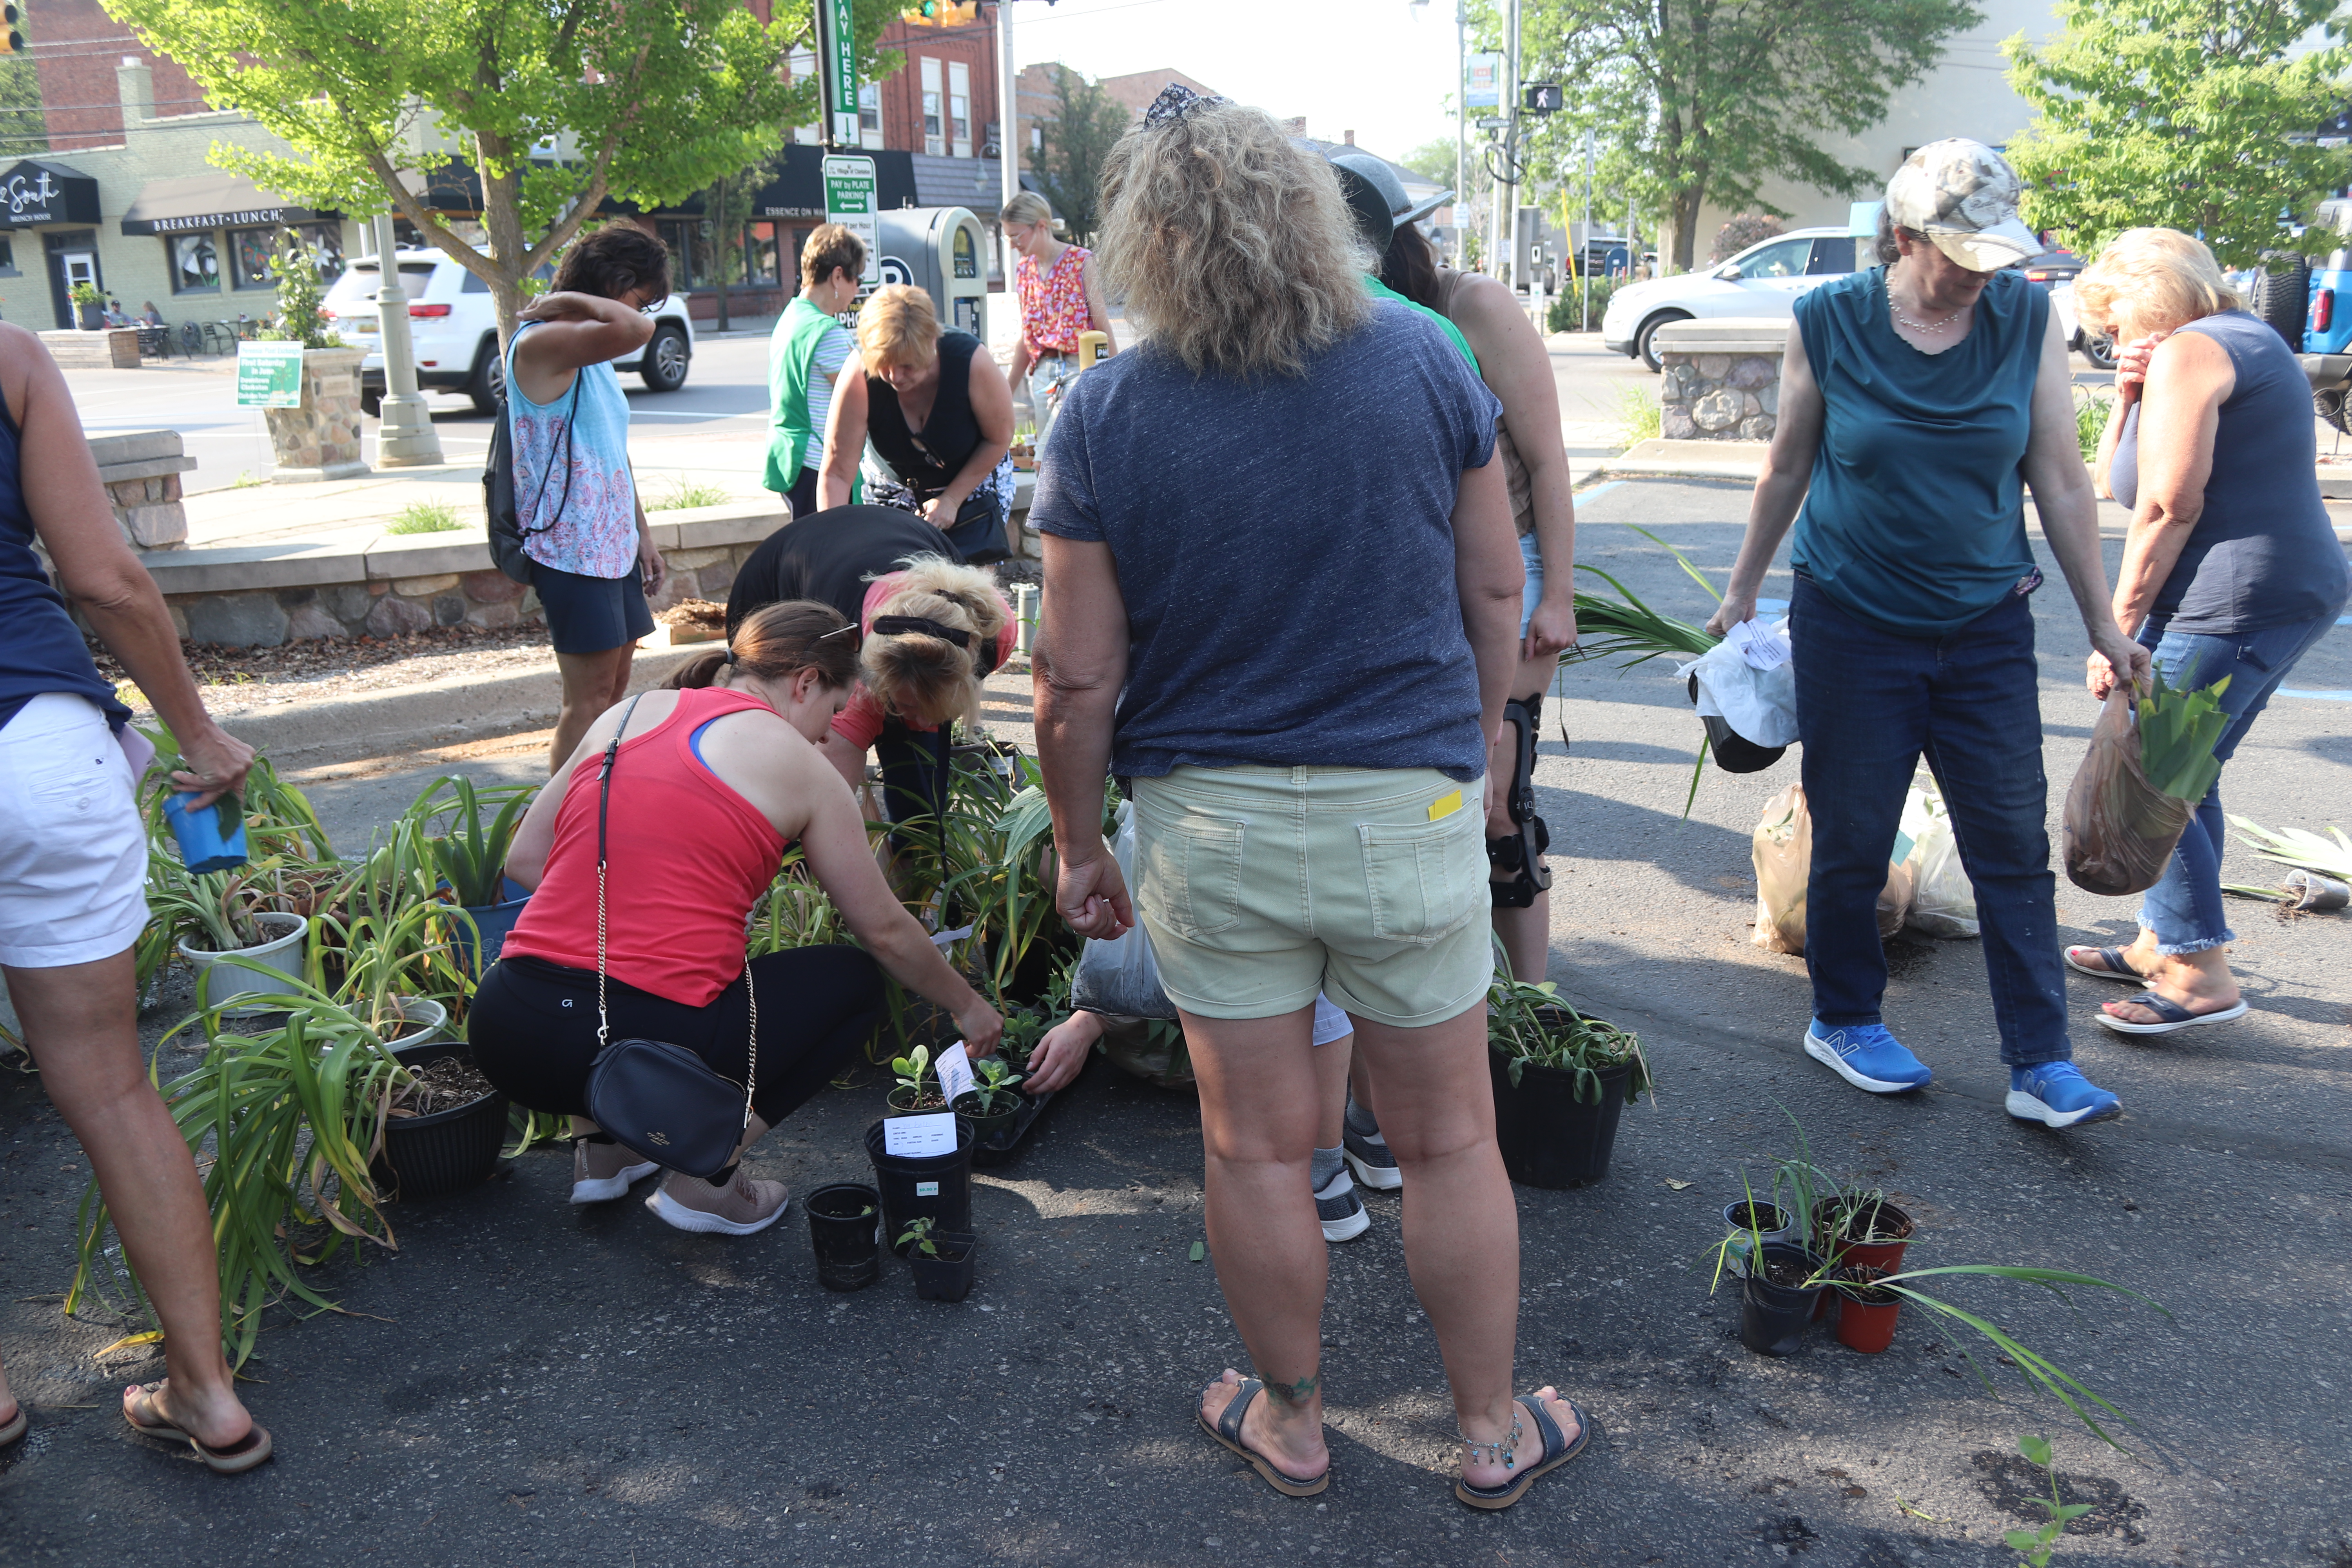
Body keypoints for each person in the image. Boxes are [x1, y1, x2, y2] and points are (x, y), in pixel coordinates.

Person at [1030, 85, 1588, 1509]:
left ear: (1138, 241)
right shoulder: (1419, 356)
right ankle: (1485, 1431)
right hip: (1401, 803)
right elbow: (1489, 583)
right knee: (1450, 1134)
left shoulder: (1109, 404)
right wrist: (1473, 749)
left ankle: (1289, 1418)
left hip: (1209, 827)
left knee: (1256, 1142)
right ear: (1306, 209)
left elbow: (1073, 679)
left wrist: (1083, 841)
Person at [1704, 139, 2152, 1129]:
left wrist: (2104, 623)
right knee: (1855, 838)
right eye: (1962, 257)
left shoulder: (2026, 315)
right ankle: (1845, 1016)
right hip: (1853, 623)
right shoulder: (1826, 319)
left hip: (1985, 623)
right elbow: (1787, 466)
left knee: (2007, 846)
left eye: (1999, 255)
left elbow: (2062, 480)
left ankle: (2042, 1062)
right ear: (1903, 238)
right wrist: (1742, 591)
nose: (1982, 276)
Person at [469, 599, 1006, 1236]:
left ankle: (604, 1153)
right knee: (855, 983)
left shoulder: (626, 714)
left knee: (601, 983)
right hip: (642, 1037)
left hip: (509, 1030)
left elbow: (527, 861)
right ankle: (709, 1176)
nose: (825, 735)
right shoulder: (802, 766)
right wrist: (969, 1006)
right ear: (805, 680)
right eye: (832, 713)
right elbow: (884, 931)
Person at [0, 323, 269, 1471]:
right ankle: (208, 1395)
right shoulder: (10, 353)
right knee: (112, 1086)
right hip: (42, 747)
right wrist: (193, 726)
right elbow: (104, 574)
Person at [2065, 229, 2350, 1033]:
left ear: (2151, 294)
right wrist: (2127, 393)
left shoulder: (2196, 346)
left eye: (2115, 323)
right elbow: (2120, 486)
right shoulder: (2236, 341)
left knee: (2155, 768)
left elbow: (2166, 507)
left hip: (2239, 593)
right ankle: (2164, 937)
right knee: (2191, 766)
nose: (2114, 339)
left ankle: (2197, 975)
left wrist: (2113, 629)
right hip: (2271, 586)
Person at [1366, 162, 1581, 994]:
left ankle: (1533, 1003)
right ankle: (1457, 1000)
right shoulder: (1336, 316)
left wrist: (1558, 594)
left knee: (1500, 797)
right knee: (1435, 799)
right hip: (1421, 577)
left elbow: (1549, 457)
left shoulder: (1471, 306)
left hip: (1513, 566)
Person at [725, 506, 1014, 838]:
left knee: (921, 786)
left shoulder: (993, 632)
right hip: (781, 576)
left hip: (886, 540)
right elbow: (833, 799)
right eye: (907, 707)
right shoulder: (849, 661)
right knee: (789, 755)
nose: (921, 722)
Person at [505, 222, 674, 774]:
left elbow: (610, 452)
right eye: (641, 296)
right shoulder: (543, 341)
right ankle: (559, 832)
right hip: (571, 549)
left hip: (611, 544)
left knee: (614, 691)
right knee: (589, 700)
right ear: (613, 282)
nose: (644, 311)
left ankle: (599, 808)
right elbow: (637, 330)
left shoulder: (590, 355)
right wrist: (572, 299)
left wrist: (642, 534)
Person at [816, 285, 1016, 564]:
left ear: (931, 344)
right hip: (894, 489)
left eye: (907, 365)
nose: (894, 376)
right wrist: (831, 545)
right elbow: (837, 472)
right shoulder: (859, 373)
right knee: (896, 585)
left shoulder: (971, 361)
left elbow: (1000, 437)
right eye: (884, 364)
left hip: (972, 485)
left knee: (969, 588)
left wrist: (952, 499)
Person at [763, 223, 866, 520]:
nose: (857, 288)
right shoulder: (829, 332)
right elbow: (865, 402)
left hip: (792, 462)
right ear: (837, 275)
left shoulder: (791, 317)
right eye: (855, 278)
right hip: (822, 469)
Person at [1000, 191, 1116, 439]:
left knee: (1056, 446)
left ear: (1041, 226)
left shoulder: (1081, 261)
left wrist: (1117, 380)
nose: (1011, 244)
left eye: (1016, 236)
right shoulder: (1025, 269)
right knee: (1048, 456)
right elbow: (1028, 335)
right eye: (1007, 237)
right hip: (1042, 371)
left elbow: (1102, 324)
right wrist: (1006, 391)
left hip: (1080, 368)